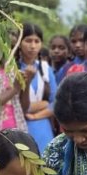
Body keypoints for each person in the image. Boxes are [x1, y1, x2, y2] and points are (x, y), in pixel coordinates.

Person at [18, 23, 56, 153]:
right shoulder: (12, 68)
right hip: (18, 126)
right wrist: (43, 104)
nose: (33, 46)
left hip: (43, 126)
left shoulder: (45, 68)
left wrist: (35, 116)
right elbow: (16, 106)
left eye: (37, 41)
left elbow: (56, 102)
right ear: (19, 42)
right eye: (28, 41)